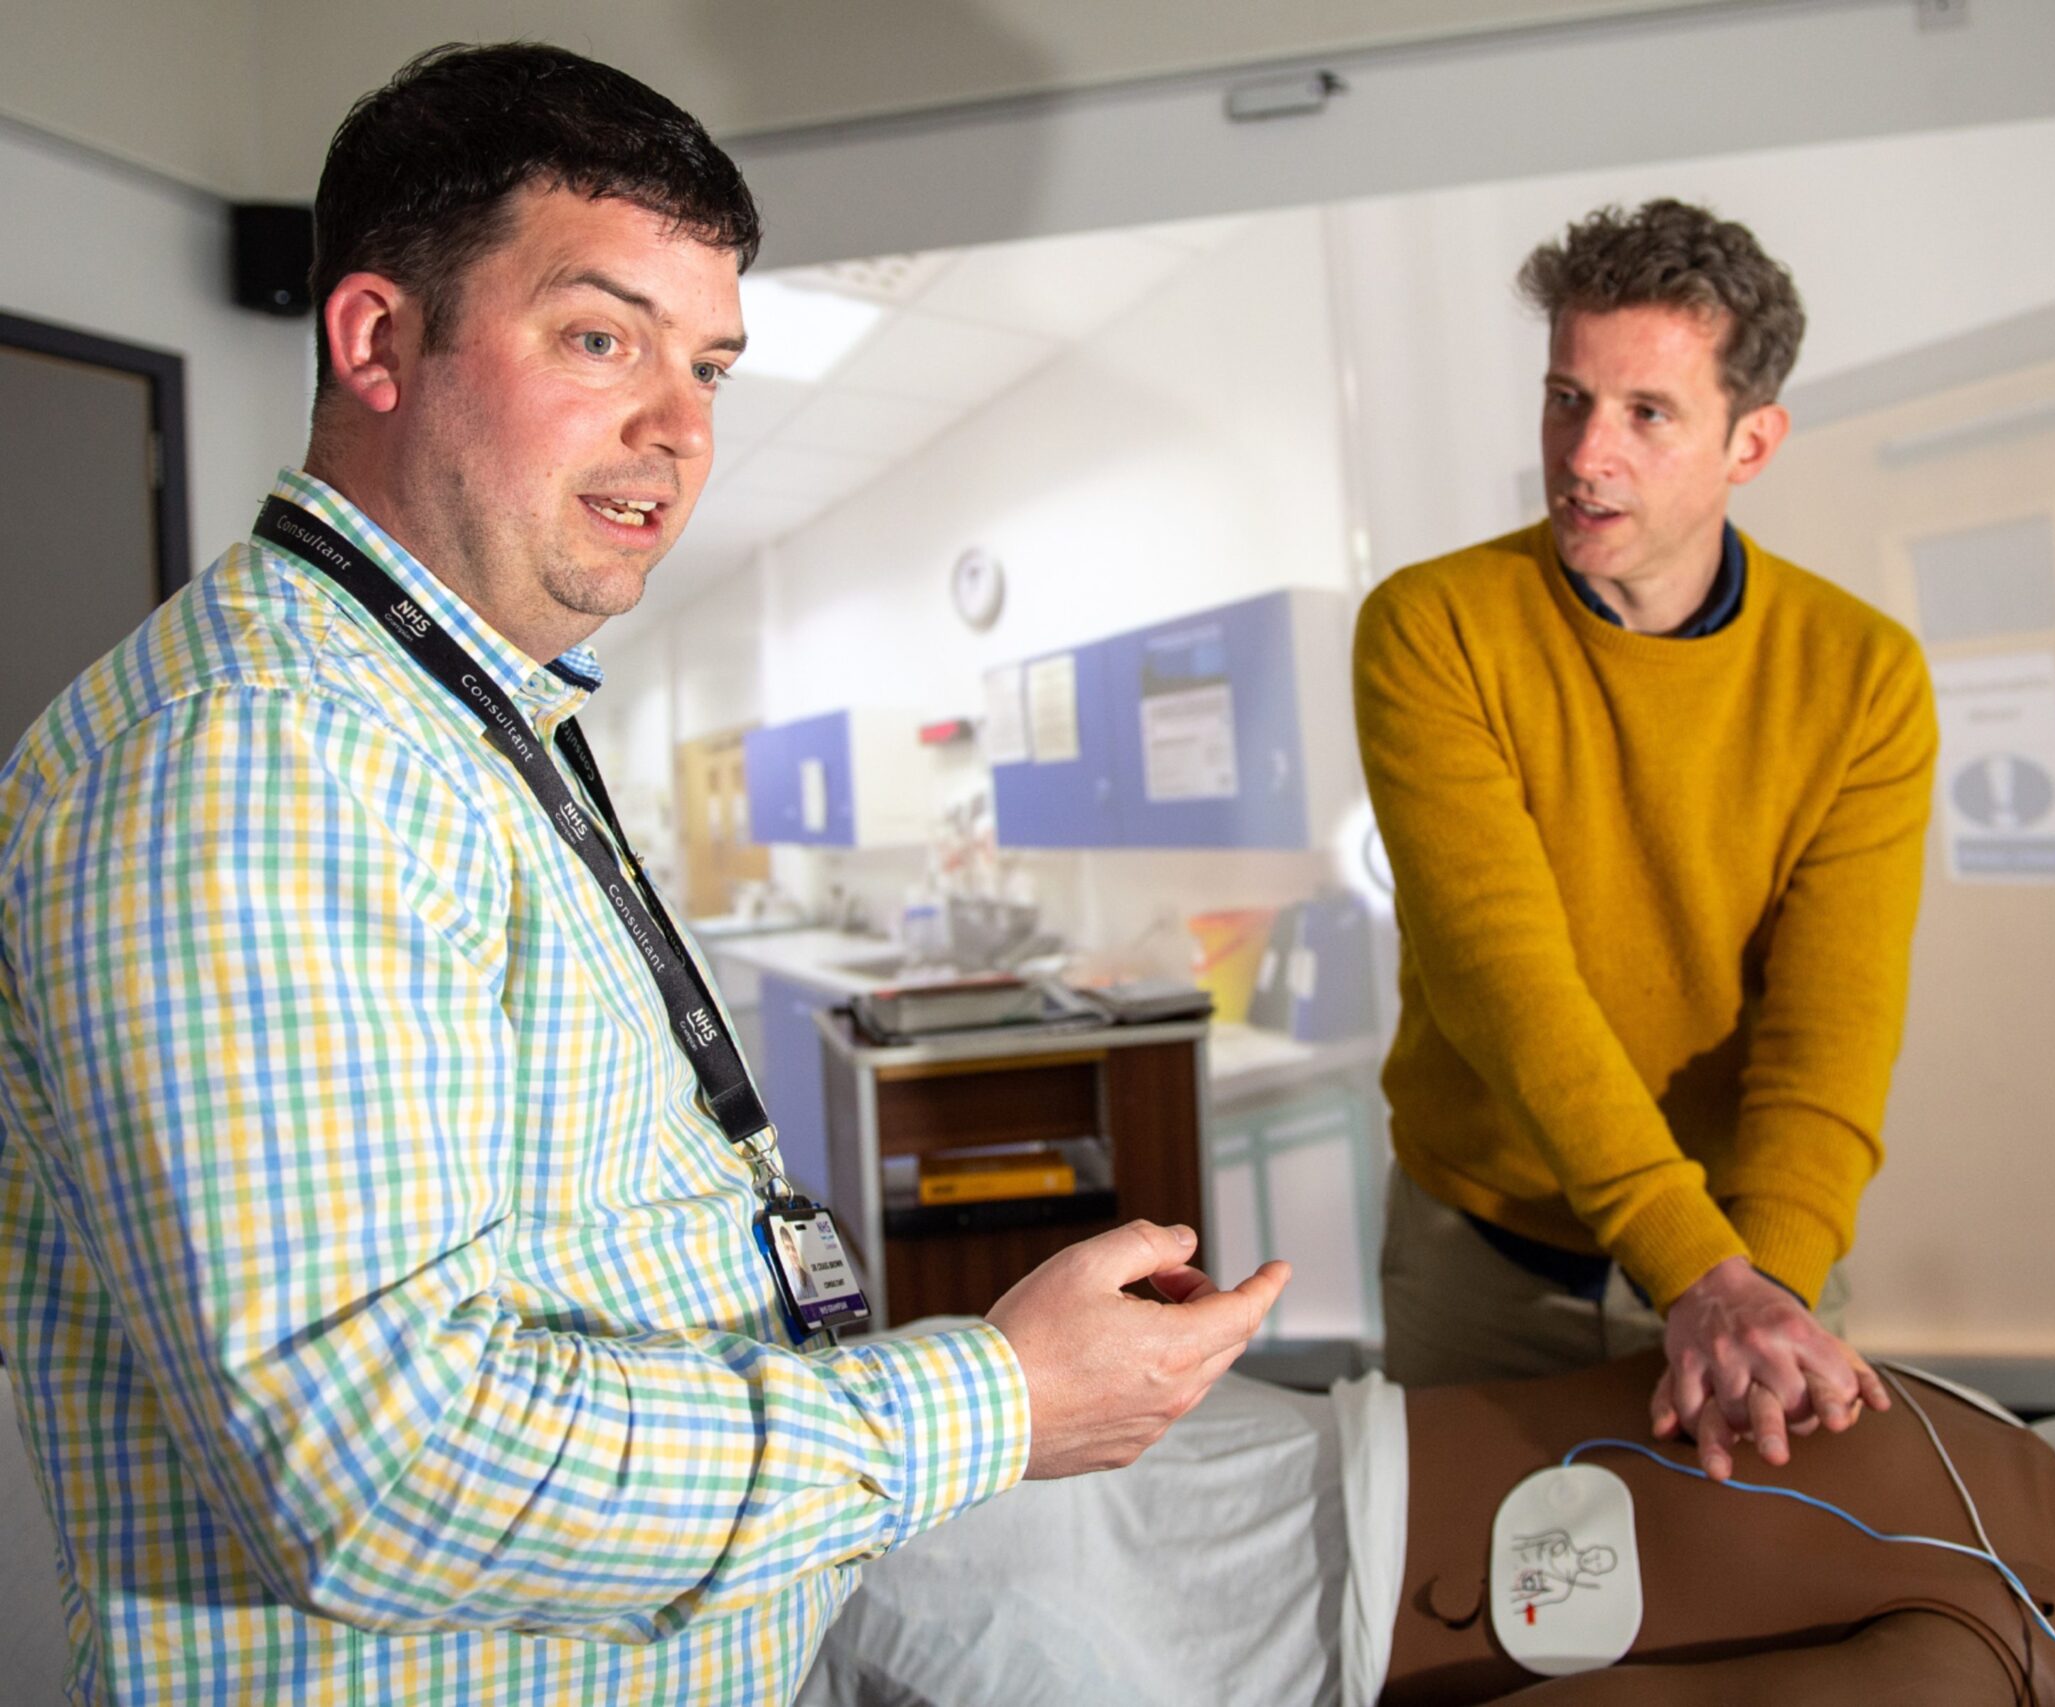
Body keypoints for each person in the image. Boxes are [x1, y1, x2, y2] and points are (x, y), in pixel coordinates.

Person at [0, 42, 1284, 1707]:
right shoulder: (256, 754)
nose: (678, 430)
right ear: (381, 339)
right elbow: (376, 1465)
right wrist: (1000, 1400)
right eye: (599, 337)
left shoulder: (460, 713)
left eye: (712, 368)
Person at [1351, 198, 1935, 1477]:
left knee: (1759, 1622)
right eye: (1567, 398)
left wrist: (1752, 1289)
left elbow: (1831, 1028)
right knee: (1470, 1628)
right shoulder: (1433, 626)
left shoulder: (1861, 674)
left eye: (1646, 413)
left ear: (1752, 441)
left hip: (1756, 1255)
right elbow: (1501, 977)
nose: (1583, 453)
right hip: (1485, 1259)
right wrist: (1690, 1271)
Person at [812, 1343, 2055, 1706]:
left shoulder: (1987, 1674)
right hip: (1250, 1459)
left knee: (658, 1560)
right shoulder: (1999, 1448)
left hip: (1220, 1630)